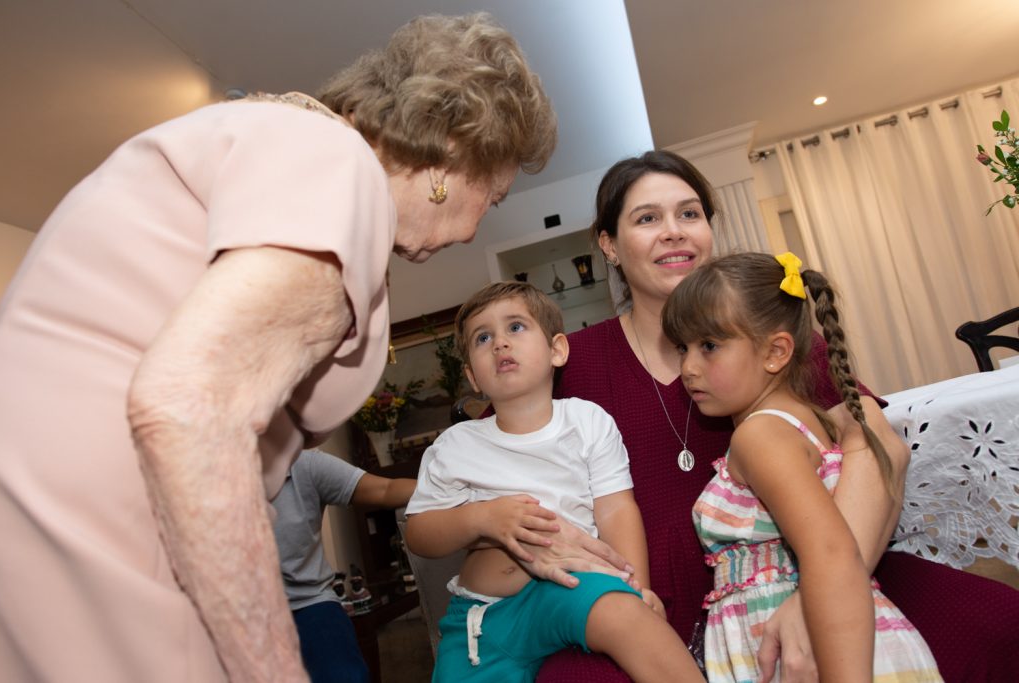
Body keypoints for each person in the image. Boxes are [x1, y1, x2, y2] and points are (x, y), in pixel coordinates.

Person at [0, 13, 556, 682]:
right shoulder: (337, 166)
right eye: (489, 199)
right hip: (108, 513)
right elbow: (186, 409)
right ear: (455, 156)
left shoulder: (286, 137)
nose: (470, 232)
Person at [534, 150, 1019, 683]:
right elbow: (477, 458)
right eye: (647, 218)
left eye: (690, 214)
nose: (674, 232)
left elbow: (880, 449)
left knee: (997, 619)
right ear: (608, 245)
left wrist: (819, 600)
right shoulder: (565, 362)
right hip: (645, 610)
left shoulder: (774, 343)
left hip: (811, 570)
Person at [404, 282, 704, 682]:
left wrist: (638, 587)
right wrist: (483, 518)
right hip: (484, 617)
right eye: (483, 337)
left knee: (626, 617)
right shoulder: (455, 445)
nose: (499, 344)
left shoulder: (587, 421)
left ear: (557, 350)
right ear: (472, 376)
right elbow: (421, 533)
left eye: (516, 327)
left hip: (571, 589)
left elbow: (615, 508)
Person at [664, 251, 941, 681]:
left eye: (709, 346)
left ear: (776, 352)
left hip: (810, 654)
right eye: (683, 348)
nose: (687, 368)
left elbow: (831, 554)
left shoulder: (758, 437)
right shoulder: (813, 419)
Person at [271, 448, 415, 683]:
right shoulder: (205, 477)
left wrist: (446, 487)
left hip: (310, 604)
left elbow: (384, 489)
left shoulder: (305, 464)